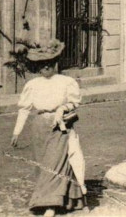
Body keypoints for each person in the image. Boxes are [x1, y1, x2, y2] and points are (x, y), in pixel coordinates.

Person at [11, 42, 86, 217]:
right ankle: (69, 200)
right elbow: (24, 109)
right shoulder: (32, 84)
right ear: (37, 66)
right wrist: (16, 131)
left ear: (55, 64)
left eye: (49, 63)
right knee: (44, 166)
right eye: (41, 64)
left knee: (55, 164)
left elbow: (74, 102)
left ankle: (50, 206)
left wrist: (62, 109)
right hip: (39, 127)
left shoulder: (67, 82)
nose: (46, 67)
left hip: (59, 127)